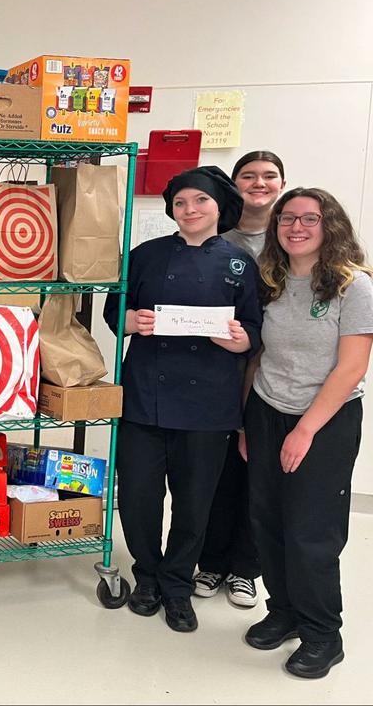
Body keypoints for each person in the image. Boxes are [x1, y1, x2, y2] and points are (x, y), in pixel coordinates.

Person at [103, 166, 263, 634]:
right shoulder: (145, 255)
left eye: (200, 202)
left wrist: (239, 340)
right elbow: (115, 311)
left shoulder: (239, 263)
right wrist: (131, 321)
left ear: (219, 207)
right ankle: (147, 575)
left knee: (195, 504)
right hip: (144, 398)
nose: (189, 210)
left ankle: (177, 585)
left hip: (208, 404)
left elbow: (253, 328)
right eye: (180, 203)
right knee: (138, 498)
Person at [242, 187, 373, 678]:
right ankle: (285, 612)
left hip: (325, 420)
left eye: (309, 219)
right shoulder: (269, 279)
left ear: (329, 226)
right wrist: (246, 424)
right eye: (287, 219)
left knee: (310, 532)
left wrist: (304, 432)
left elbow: (351, 368)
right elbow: (258, 355)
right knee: (267, 521)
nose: (296, 227)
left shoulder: (352, 286)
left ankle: (323, 633)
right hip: (266, 410)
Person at [194, 150, 286, 607]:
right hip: (222, 373)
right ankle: (209, 562)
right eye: (248, 175)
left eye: (269, 176)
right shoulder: (217, 238)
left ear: (282, 184)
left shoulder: (290, 236)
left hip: (274, 375)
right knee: (217, 472)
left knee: (257, 475)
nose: (259, 183)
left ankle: (246, 569)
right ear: (234, 185)